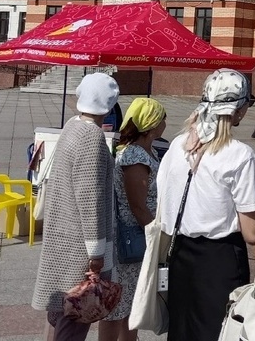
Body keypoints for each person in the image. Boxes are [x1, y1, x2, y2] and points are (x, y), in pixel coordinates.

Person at [156, 69, 255, 341]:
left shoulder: (178, 145)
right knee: (220, 332)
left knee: (182, 332)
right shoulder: (239, 155)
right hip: (220, 258)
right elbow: (252, 232)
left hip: (180, 254)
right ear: (237, 110)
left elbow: (164, 200)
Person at [31, 72, 118, 341]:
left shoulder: (72, 126)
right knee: (76, 316)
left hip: (62, 235)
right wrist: (96, 253)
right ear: (109, 104)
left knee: (60, 315)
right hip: (78, 246)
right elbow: (91, 199)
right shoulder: (92, 137)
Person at [100, 97, 167, 341]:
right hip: (133, 240)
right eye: (162, 118)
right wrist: (156, 238)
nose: (165, 123)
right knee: (120, 305)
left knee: (132, 303)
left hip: (138, 237)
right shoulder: (135, 156)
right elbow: (137, 206)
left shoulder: (146, 151)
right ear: (152, 124)